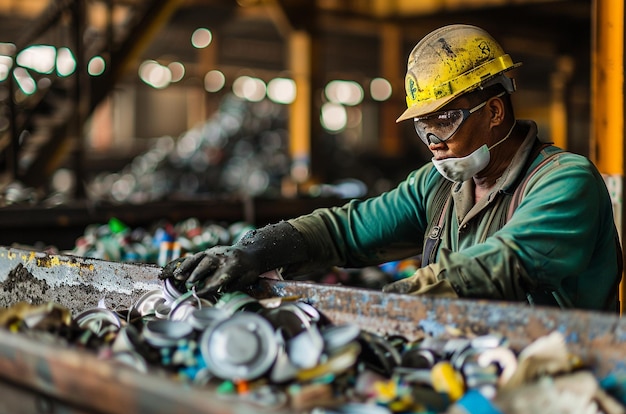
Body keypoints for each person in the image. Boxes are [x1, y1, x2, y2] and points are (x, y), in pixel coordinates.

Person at [161, 24, 622, 312]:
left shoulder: (565, 182)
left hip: (567, 376)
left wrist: (386, 304)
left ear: (495, 112)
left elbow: (504, 263)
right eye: (423, 127)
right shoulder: (437, 187)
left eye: (445, 120)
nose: (433, 141)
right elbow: (346, 230)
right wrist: (255, 251)